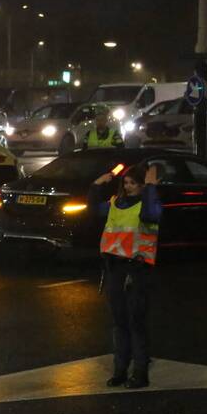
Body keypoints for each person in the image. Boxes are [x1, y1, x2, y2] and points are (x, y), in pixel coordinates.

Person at [89, 163, 162, 389]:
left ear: (142, 185)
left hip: (137, 270)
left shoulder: (151, 203)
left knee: (136, 323)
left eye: (133, 183)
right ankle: (120, 370)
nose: (128, 187)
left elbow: (151, 215)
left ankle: (140, 373)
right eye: (126, 183)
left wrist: (150, 187)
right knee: (119, 322)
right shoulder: (114, 203)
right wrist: (95, 186)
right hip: (114, 269)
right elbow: (93, 210)